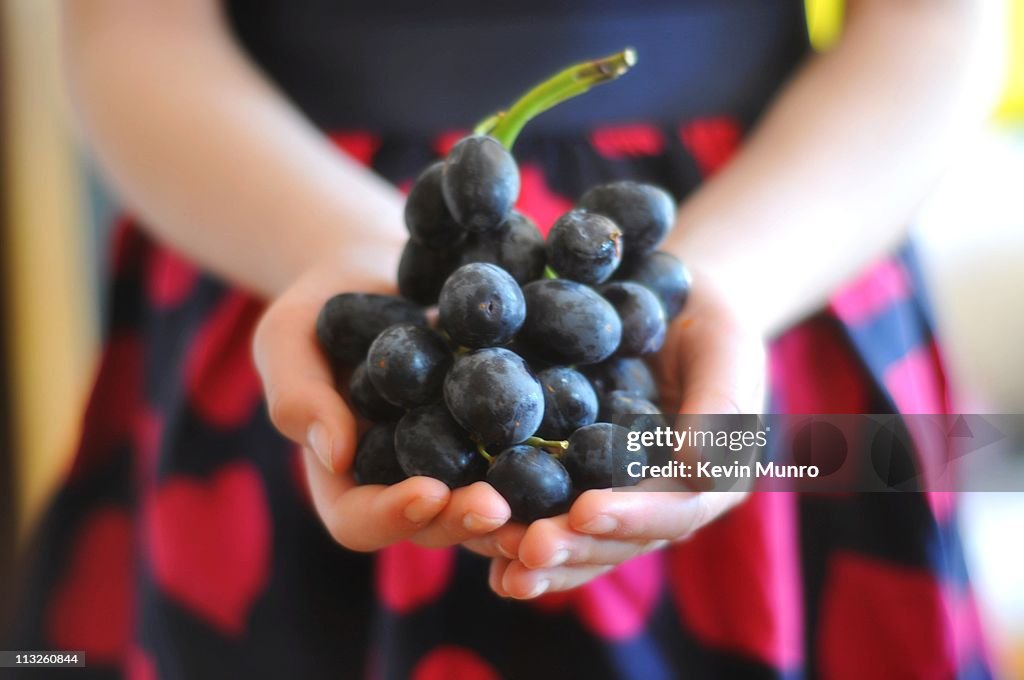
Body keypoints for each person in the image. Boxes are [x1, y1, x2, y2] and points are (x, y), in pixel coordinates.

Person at [6, 0, 1004, 678]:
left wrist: (728, 286)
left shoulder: (718, 300)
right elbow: (123, 33)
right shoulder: (362, 307)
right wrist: (356, 251)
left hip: (778, 248)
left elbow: (942, 24)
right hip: (276, 232)